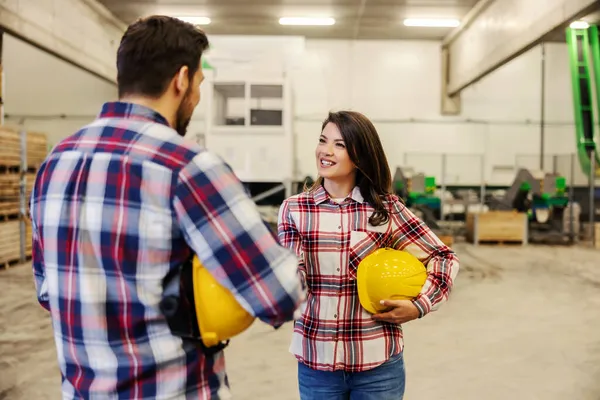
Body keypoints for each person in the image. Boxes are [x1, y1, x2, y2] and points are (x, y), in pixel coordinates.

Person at [29, 15, 305, 400]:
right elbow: (279, 294)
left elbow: (47, 292)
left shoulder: (54, 164)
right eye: (199, 85)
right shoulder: (187, 167)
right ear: (181, 79)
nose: (196, 96)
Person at [277, 111, 460, 399]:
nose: (325, 151)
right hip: (317, 364)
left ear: (359, 155)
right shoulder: (295, 210)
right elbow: (291, 272)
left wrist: (419, 305)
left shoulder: (386, 210)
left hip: (378, 366)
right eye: (323, 141)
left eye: (339, 145)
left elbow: (443, 257)